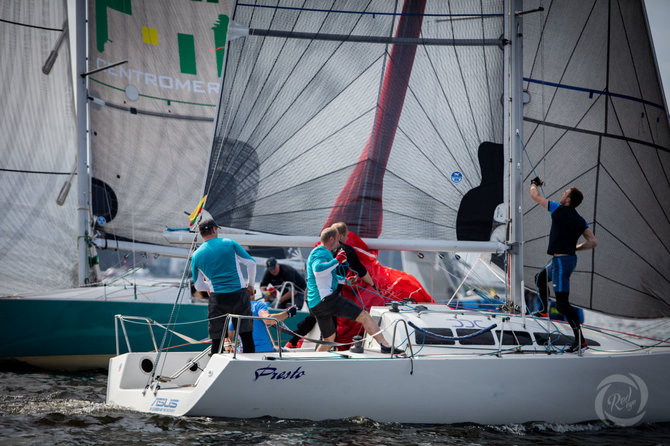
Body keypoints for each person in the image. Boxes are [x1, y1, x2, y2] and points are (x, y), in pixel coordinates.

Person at [306, 227, 403, 354]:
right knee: (364, 316)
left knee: (329, 338)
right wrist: (337, 260)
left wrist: (346, 281)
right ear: (331, 239)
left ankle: (315, 362)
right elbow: (318, 270)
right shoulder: (321, 253)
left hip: (316, 303)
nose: (339, 243)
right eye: (337, 240)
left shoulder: (320, 252)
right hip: (325, 300)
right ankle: (385, 345)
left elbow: (327, 277)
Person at [529, 178, 598, 353]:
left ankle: (580, 341)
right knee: (540, 277)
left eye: (565, 193)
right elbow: (593, 242)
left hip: (561, 263)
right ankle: (544, 310)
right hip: (567, 260)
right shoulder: (580, 220)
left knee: (562, 304)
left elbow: (534, 195)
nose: (562, 194)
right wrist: (575, 247)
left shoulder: (558, 209)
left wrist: (533, 183)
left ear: (568, 200)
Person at [191, 219, 257, 355]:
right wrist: (250, 286)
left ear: (201, 233)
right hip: (239, 295)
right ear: (214, 230)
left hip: (217, 299)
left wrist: (210, 288)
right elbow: (251, 264)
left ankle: (215, 370)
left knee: (217, 339)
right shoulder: (229, 243)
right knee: (246, 336)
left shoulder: (196, 255)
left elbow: (198, 285)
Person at [228, 300, 297, 352]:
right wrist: (288, 313)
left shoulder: (235, 310)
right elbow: (268, 320)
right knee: (291, 352)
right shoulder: (258, 305)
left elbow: (228, 339)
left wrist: (230, 349)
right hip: (265, 349)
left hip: (244, 351)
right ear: (252, 292)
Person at [331, 222, 375, 288]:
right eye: (346, 236)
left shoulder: (320, 248)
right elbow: (361, 270)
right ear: (340, 236)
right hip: (330, 293)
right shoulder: (347, 250)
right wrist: (373, 286)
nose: (347, 239)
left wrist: (345, 281)